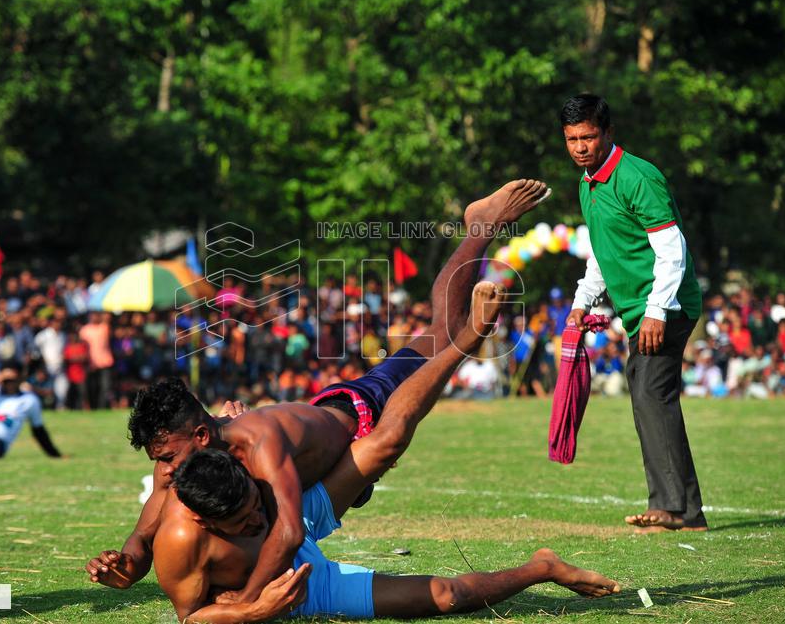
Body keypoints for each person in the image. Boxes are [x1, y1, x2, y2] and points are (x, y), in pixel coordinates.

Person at [85, 180, 551, 600]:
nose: (166, 470)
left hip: (357, 415)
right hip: (322, 465)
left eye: (168, 456)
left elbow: (289, 533)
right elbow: (143, 536)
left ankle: (479, 228)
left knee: (440, 334)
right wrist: (124, 564)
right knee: (436, 336)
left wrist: (249, 605)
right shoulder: (190, 463)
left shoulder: (255, 439)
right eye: (160, 461)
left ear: (202, 436)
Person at [153, 283, 620, 622]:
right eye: (245, 524)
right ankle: (542, 567)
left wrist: (253, 594)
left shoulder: (242, 459)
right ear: (203, 522)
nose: (258, 523)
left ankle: (465, 342)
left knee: (387, 441)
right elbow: (191, 618)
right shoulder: (178, 539)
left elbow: (287, 530)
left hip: (292, 533)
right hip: (301, 591)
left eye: (255, 508)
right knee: (445, 597)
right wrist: (257, 612)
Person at [561, 94, 707, 533]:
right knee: (648, 394)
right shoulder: (588, 184)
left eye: (588, 136)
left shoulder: (637, 177)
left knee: (650, 394)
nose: (580, 146)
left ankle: (672, 508)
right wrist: (579, 304)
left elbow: (671, 248)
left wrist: (658, 311)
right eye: (572, 139)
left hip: (665, 306)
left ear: (607, 133)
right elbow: (602, 255)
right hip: (641, 311)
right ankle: (687, 511)